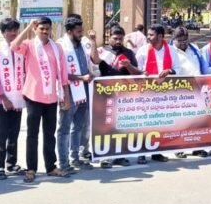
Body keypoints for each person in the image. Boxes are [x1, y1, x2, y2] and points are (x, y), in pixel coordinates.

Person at [11, 17, 71, 183]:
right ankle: (31, 169)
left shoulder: (57, 47)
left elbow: (63, 74)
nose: (45, 32)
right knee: (32, 134)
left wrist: (65, 95)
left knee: (49, 134)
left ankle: (51, 167)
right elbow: (14, 46)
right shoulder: (29, 45)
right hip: (33, 96)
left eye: (47, 29)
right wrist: (28, 27)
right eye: (41, 29)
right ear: (36, 30)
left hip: (52, 96)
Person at [90, 25, 139, 168]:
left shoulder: (129, 53)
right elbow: (95, 60)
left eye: (120, 38)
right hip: (105, 93)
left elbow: (137, 73)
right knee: (106, 126)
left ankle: (120, 156)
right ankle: (105, 156)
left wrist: (128, 65)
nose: (118, 41)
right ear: (109, 37)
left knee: (122, 126)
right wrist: (93, 41)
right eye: (115, 38)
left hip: (124, 94)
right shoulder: (103, 51)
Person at [0, 18, 26, 181]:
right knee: (2, 133)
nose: (13, 33)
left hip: (17, 98)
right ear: (3, 33)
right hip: (2, 100)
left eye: (15, 30)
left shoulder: (20, 51)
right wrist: (3, 98)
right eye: (9, 30)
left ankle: (11, 163)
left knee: (15, 132)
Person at [136, 24, 180, 164]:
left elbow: (177, 69)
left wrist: (169, 71)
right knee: (145, 122)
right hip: (146, 92)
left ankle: (157, 152)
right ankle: (141, 153)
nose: (148, 37)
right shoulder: (143, 51)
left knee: (160, 122)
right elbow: (137, 70)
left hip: (164, 93)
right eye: (148, 34)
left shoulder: (172, 51)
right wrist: (143, 73)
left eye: (151, 35)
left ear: (161, 36)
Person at [57, 15, 95, 174]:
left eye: (81, 31)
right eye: (78, 31)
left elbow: (92, 61)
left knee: (78, 126)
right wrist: (81, 77)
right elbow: (60, 73)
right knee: (65, 128)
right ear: (69, 31)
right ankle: (63, 162)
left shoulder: (82, 45)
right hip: (69, 92)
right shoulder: (60, 46)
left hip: (84, 91)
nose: (81, 34)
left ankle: (75, 158)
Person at [171, 26, 211, 158]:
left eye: (185, 39)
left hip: (197, 90)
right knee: (181, 121)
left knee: (197, 121)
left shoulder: (194, 49)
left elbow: (205, 68)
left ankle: (197, 147)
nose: (183, 42)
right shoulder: (170, 51)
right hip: (179, 91)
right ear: (174, 39)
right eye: (180, 40)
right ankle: (178, 147)